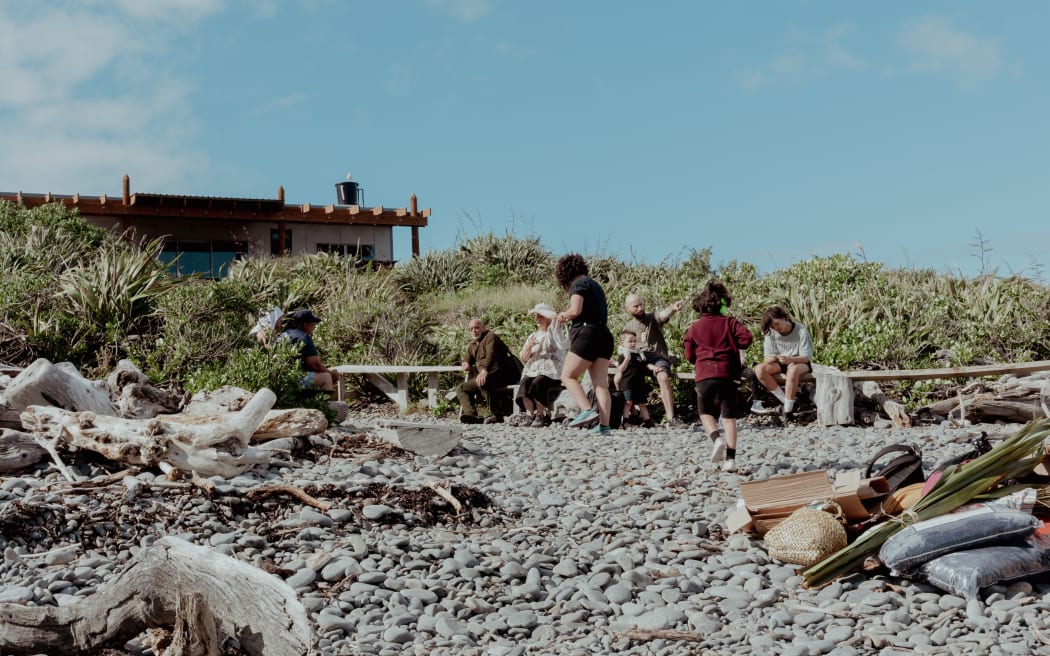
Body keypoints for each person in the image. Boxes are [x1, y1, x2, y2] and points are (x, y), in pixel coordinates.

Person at [683, 281, 753, 473]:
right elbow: (746, 339)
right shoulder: (730, 323)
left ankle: (716, 439)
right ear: (721, 304)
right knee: (729, 417)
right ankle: (730, 460)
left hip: (705, 374)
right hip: (728, 374)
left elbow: (689, 355)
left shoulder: (694, 328)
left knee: (705, 412)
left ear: (700, 306)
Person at [555, 253, 614, 435]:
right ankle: (604, 426)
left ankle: (587, 410)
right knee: (600, 385)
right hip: (604, 334)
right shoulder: (595, 285)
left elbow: (575, 310)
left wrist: (561, 316)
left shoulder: (578, 284)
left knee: (567, 376)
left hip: (587, 333)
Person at [623, 293, 685, 426]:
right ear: (628, 309)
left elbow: (663, 315)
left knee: (663, 377)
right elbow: (624, 348)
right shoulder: (628, 328)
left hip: (657, 357)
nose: (640, 308)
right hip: (639, 359)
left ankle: (671, 418)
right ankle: (631, 416)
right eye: (636, 306)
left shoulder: (652, 318)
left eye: (641, 304)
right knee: (625, 376)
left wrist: (673, 308)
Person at [751, 305, 813, 417]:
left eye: (777, 324)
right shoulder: (771, 333)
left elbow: (807, 356)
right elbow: (767, 358)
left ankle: (788, 412)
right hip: (780, 362)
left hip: (799, 361)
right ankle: (786, 402)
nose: (775, 328)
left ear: (783, 318)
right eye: (772, 326)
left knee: (792, 370)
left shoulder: (801, 330)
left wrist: (791, 359)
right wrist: (774, 357)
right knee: (759, 369)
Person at [456, 318, 521, 424]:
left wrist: (484, 371)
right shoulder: (472, 345)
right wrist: (465, 363)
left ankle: (496, 414)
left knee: (482, 381)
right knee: (461, 388)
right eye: (471, 329)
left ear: (483, 328)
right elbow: (467, 358)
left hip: (502, 375)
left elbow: (491, 356)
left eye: (476, 327)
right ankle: (472, 415)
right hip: (486, 376)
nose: (474, 330)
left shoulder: (490, 337)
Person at [514, 302, 567, 427]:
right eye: (536, 316)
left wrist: (551, 319)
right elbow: (524, 358)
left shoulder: (554, 332)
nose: (537, 319)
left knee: (538, 382)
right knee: (525, 381)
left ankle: (540, 415)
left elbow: (553, 340)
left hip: (552, 371)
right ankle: (529, 414)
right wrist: (529, 347)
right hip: (533, 369)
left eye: (540, 316)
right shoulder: (533, 336)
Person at [280, 308, 341, 391]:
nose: (314, 327)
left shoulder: (284, 335)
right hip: (292, 381)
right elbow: (315, 365)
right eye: (313, 324)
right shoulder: (303, 337)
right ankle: (324, 404)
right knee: (326, 377)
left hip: (279, 380)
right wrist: (331, 374)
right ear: (305, 325)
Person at [615, 329, 656, 428]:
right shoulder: (623, 355)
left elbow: (646, 364)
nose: (633, 344)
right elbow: (620, 369)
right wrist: (626, 359)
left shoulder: (639, 354)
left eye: (634, 341)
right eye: (630, 341)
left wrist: (654, 368)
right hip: (627, 383)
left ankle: (647, 420)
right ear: (622, 343)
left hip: (639, 383)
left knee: (642, 403)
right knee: (628, 402)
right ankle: (625, 420)